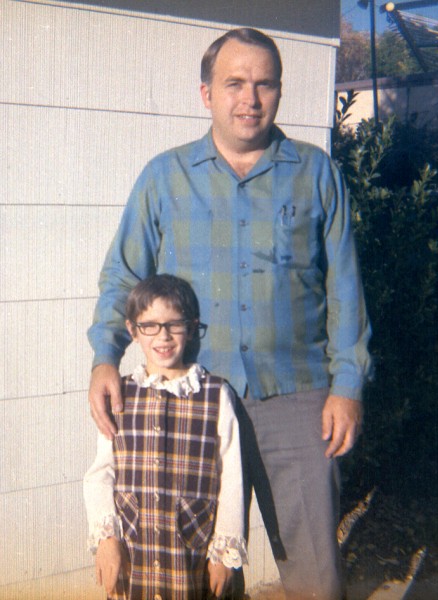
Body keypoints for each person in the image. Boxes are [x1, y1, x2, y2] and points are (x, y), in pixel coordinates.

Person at [88, 27, 372, 600]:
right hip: (191, 401)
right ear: (206, 94)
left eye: (265, 84)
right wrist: (103, 358)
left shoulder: (317, 174)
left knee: (317, 573)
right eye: (235, 83)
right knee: (204, 575)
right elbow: (123, 274)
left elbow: (344, 287)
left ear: (280, 92)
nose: (251, 98)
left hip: (296, 400)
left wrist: (348, 384)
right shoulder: (164, 178)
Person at [84, 274, 247, 599]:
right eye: (150, 326)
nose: (163, 336)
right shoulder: (120, 394)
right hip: (134, 553)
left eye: (174, 324)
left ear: (190, 327)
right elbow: (101, 473)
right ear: (133, 330)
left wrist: (224, 552)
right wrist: (107, 540)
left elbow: (232, 478)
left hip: (192, 552)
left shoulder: (215, 394)